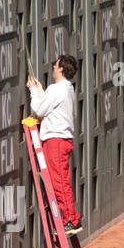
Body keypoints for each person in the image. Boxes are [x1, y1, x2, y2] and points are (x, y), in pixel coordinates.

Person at [26, 54, 81, 234]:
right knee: (61, 181)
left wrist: (34, 90)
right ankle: (69, 218)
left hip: (56, 140)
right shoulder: (65, 89)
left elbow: (40, 109)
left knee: (60, 182)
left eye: (55, 65)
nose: (53, 67)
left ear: (61, 69)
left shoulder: (57, 89)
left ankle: (71, 220)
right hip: (60, 139)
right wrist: (41, 90)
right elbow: (49, 105)